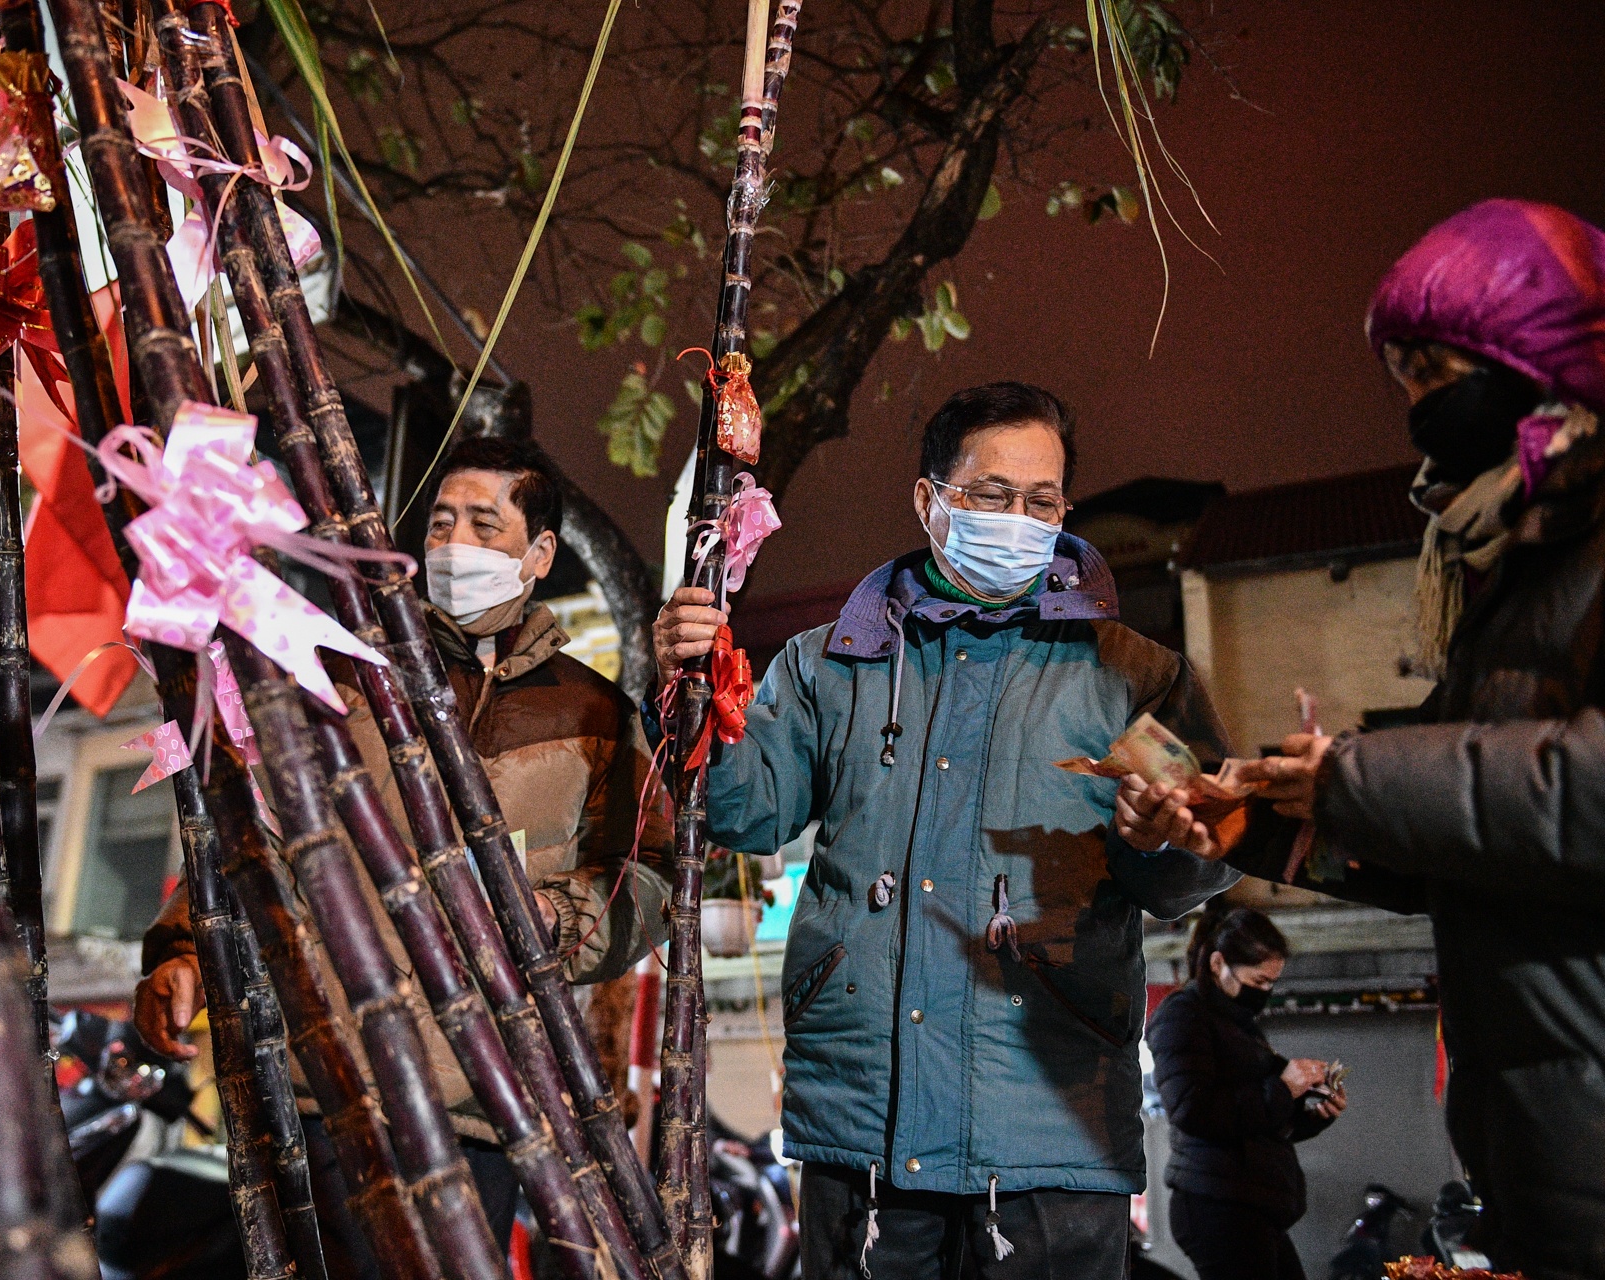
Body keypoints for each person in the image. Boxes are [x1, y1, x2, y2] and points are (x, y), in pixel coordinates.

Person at [654, 382, 1241, 1279]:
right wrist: (691, 695)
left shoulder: (1129, 676)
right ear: (930, 501)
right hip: (864, 1124)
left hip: (1051, 1123)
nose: (1020, 521)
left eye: (1042, 502)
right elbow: (745, 809)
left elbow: (1204, 850)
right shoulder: (831, 663)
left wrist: (1163, 836)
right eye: (992, 495)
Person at [134, 435, 671, 1272]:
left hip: (488, 1108)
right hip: (329, 1093)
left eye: (485, 525)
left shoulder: (593, 714)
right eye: (442, 522)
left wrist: (557, 916)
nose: (456, 544)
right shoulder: (346, 677)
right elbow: (258, 841)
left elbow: (649, 874)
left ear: (539, 555)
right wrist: (182, 952)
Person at [1218, 200, 1605, 1280]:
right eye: (1404, 383)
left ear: (1538, 356)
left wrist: (1352, 775)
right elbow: (1472, 843)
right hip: (1544, 1155)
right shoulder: (1514, 571)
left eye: (1437, 372)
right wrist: (1255, 821)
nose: (1421, 412)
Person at [1147, 900, 1346, 1280]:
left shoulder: (1237, 1024)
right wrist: (1284, 1087)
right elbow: (1192, 1110)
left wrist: (1312, 1114)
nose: (1265, 992)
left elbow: (1254, 1122)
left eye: (1272, 983)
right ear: (1218, 963)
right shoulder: (1182, 1015)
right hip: (1218, 1205)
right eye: (1258, 982)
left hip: (1249, 1204)